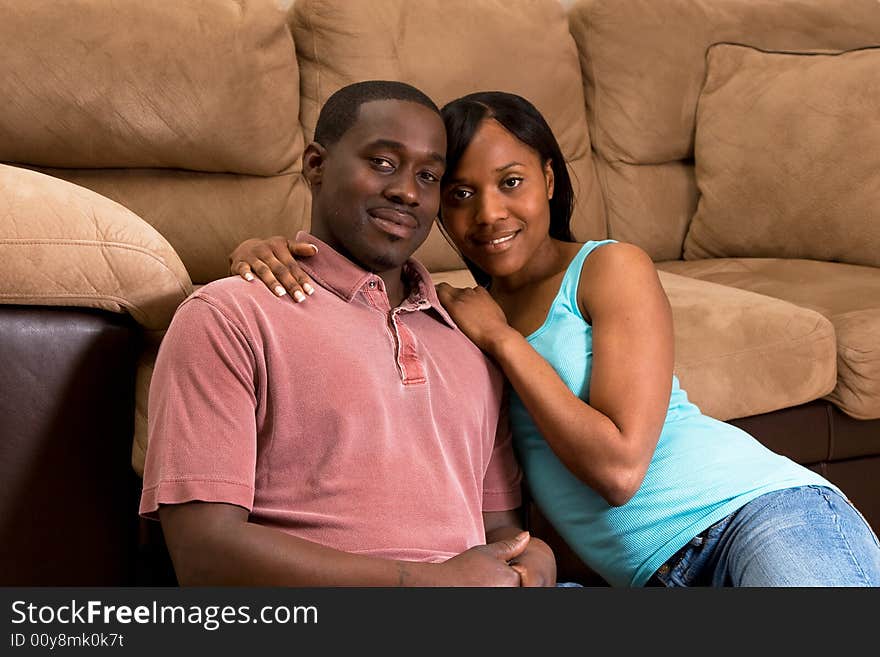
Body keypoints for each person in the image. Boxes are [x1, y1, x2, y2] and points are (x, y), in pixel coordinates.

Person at [232, 90, 880, 587]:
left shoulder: (606, 267)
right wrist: (263, 248)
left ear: (547, 178)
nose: (488, 213)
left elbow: (620, 470)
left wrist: (506, 343)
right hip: (654, 580)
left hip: (758, 514)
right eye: (459, 193)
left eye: (510, 182)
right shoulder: (446, 308)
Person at [139, 81, 557, 587]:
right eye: (383, 162)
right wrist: (425, 586)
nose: (406, 191)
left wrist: (536, 560)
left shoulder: (469, 334)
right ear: (315, 165)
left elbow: (501, 531)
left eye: (429, 175)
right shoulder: (228, 316)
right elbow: (203, 554)